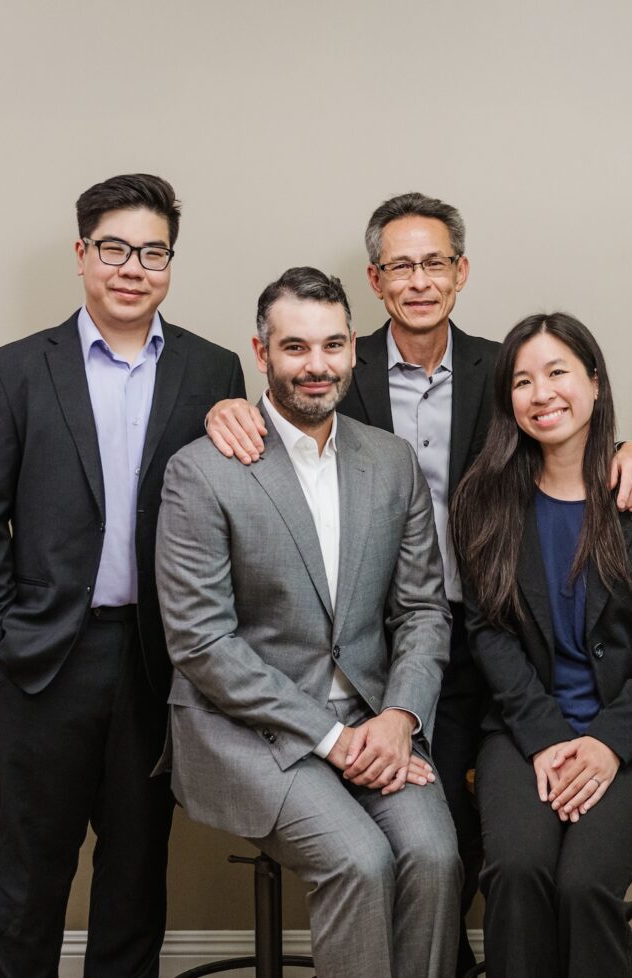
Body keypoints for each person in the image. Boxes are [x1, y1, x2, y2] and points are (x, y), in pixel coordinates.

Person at [204, 192, 632, 974]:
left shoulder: (503, 371)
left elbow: (562, 424)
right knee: (436, 827)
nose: (420, 280)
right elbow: (290, 417)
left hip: (505, 629)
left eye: (436, 263)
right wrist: (226, 408)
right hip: (393, 648)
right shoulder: (343, 365)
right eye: (401, 267)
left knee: (495, 837)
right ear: (377, 282)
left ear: (461, 271)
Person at [0, 174, 246, 977]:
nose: (132, 268)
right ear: (83, 255)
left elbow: (233, 514)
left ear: (170, 264)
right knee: (29, 875)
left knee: (134, 875)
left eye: (154, 252)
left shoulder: (212, 371)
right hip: (43, 657)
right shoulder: (11, 372)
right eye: (114, 249)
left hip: (157, 659)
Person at [155, 267, 462, 978]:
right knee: (359, 861)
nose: (316, 366)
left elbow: (421, 608)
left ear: (355, 347)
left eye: (332, 345)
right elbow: (202, 642)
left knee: (436, 858)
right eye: (295, 348)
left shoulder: (391, 462)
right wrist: (332, 738)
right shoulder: (201, 472)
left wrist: (400, 717)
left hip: (372, 719)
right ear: (261, 355)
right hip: (246, 729)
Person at [450, 313, 632, 978]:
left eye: (557, 372)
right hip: (524, 732)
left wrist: (607, 744)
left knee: (585, 885)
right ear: (509, 401)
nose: (542, 393)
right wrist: (552, 737)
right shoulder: (483, 501)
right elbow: (487, 634)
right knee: (516, 871)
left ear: (593, 381)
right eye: (523, 381)